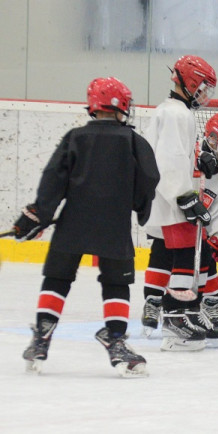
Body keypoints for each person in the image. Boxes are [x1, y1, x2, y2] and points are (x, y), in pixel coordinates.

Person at [16, 77, 159, 377]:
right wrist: (138, 205)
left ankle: (41, 338)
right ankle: (116, 339)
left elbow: (53, 178)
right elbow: (149, 178)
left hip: (73, 224)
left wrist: (38, 215)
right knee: (116, 283)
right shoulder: (134, 141)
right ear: (121, 107)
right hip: (114, 225)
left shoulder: (74, 137)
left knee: (57, 278)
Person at [141, 112, 218, 349]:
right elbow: (169, 180)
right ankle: (153, 301)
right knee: (161, 256)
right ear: (213, 140)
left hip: (198, 230)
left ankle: (208, 305)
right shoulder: (189, 155)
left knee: (206, 259)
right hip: (169, 220)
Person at [142, 55, 218, 352]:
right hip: (171, 198)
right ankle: (174, 323)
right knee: (185, 254)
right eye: (201, 87)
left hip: (166, 197)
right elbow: (169, 159)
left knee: (182, 254)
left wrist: (199, 158)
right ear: (189, 82)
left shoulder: (173, 110)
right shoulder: (177, 114)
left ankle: (178, 315)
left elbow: (177, 154)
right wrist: (184, 196)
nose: (203, 94)